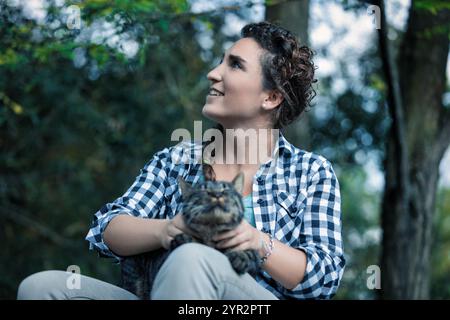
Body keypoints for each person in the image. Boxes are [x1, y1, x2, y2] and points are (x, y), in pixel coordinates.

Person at [17, 21, 345, 300]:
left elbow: (325, 278)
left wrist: (257, 241)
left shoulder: (309, 172)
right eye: (220, 61)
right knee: (42, 289)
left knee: (191, 259)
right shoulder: (179, 158)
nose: (213, 73)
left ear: (270, 97)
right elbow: (108, 229)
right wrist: (169, 229)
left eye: (234, 65)